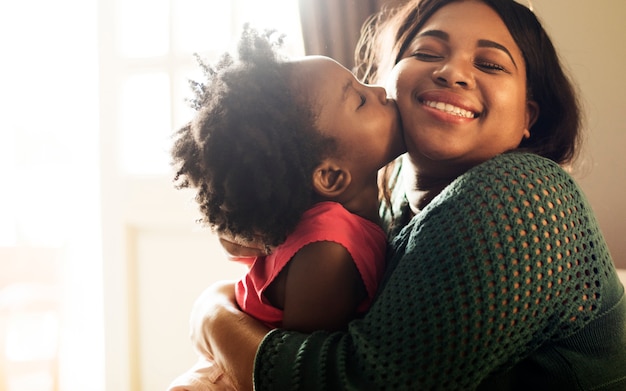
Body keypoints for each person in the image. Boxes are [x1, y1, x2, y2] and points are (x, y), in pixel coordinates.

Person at [186, 0, 626, 390]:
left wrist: (213, 315)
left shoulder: (522, 194)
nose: (452, 72)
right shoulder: (387, 199)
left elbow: (358, 381)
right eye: (427, 52)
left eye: (490, 64)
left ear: (528, 115)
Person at [167, 26, 404, 390]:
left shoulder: (330, 224)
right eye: (359, 100)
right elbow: (294, 375)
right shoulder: (331, 250)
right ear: (330, 176)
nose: (380, 90)